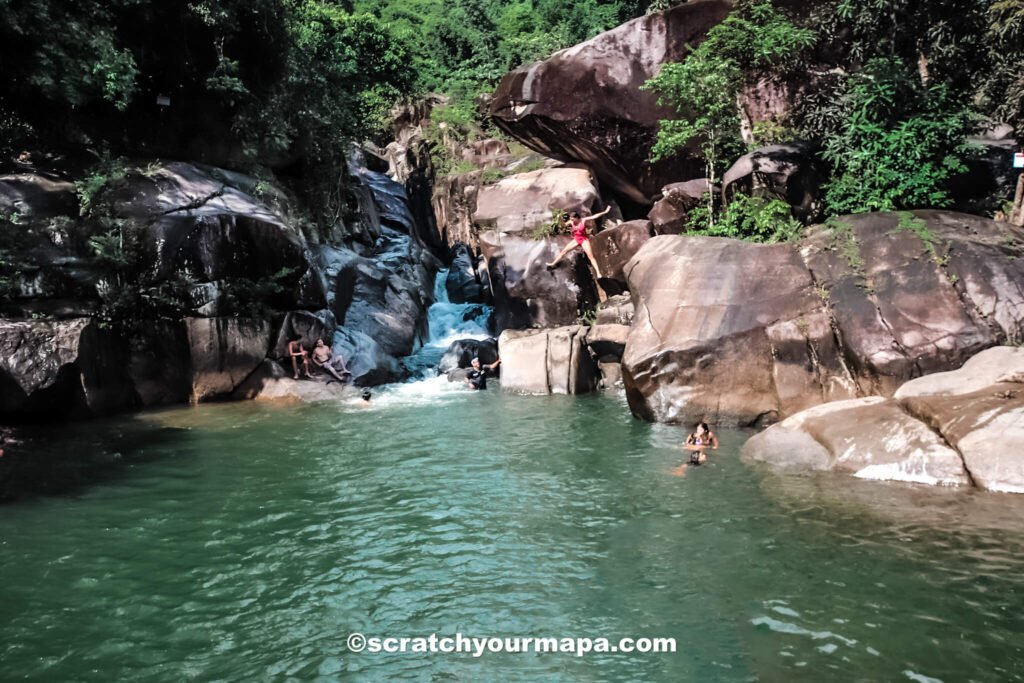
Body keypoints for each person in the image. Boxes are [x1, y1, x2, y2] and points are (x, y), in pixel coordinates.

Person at [545, 207, 611, 277]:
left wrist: (605, 212)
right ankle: (553, 263)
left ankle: (598, 273)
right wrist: (559, 219)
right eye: (571, 219)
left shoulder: (583, 220)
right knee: (563, 251)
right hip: (576, 240)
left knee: (591, 256)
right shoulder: (571, 222)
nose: (571, 220)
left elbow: (594, 216)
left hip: (584, 240)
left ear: (577, 218)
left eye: (573, 219)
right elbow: (563, 225)